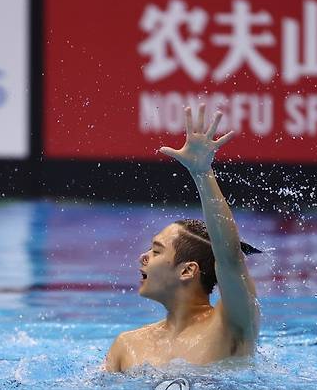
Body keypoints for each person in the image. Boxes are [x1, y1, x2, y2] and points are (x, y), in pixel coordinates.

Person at [105, 104, 262, 372]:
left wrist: (203, 174)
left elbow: (229, 257)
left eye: (156, 251)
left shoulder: (231, 326)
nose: (143, 256)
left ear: (188, 270)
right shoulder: (127, 345)